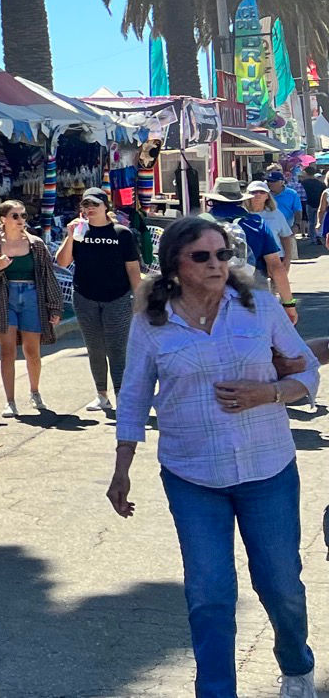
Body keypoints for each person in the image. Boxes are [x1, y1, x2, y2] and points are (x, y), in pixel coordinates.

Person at [107, 216, 320, 698]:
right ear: (175, 266)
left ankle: (296, 664)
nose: (216, 264)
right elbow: (135, 394)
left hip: (267, 469)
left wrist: (266, 393)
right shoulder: (151, 323)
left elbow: (307, 372)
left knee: (281, 585)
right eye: (202, 256)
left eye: (222, 254)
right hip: (192, 474)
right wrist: (122, 466)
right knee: (209, 594)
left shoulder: (259, 308)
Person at [56, 187, 144, 416]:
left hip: (118, 296)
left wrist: (140, 298)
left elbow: (133, 268)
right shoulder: (79, 232)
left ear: (106, 207)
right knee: (95, 348)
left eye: (95, 204)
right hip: (85, 296)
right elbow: (62, 263)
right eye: (86, 205)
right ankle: (101, 395)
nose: (90, 208)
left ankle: (122, 397)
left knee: (117, 348)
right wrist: (70, 236)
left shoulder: (122, 233)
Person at [0, 200, 63, 418]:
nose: (21, 220)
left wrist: (55, 307)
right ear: (3, 220)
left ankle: (34, 392)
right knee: (7, 351)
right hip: (5, 298)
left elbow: (48, 276)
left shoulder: (35, 244)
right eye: (15, 216)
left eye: (23, 216)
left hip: (32, 295)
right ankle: (10, 401)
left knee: (32, 350)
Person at [206, 178, 299, 324]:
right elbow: (276, 267)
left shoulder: (198, 224)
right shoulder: (256, 223)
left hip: (208, 300)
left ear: (212, 200)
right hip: (251, 297)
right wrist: (289, 305)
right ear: (239, 200)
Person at [301, 167, 325, 241]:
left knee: (311, 222)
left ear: (306, 173)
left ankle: (313, 238)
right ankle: (319, 235)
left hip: (309, 203)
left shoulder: (303, 183)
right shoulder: (320, 183)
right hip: (319, 204)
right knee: (318, 221)